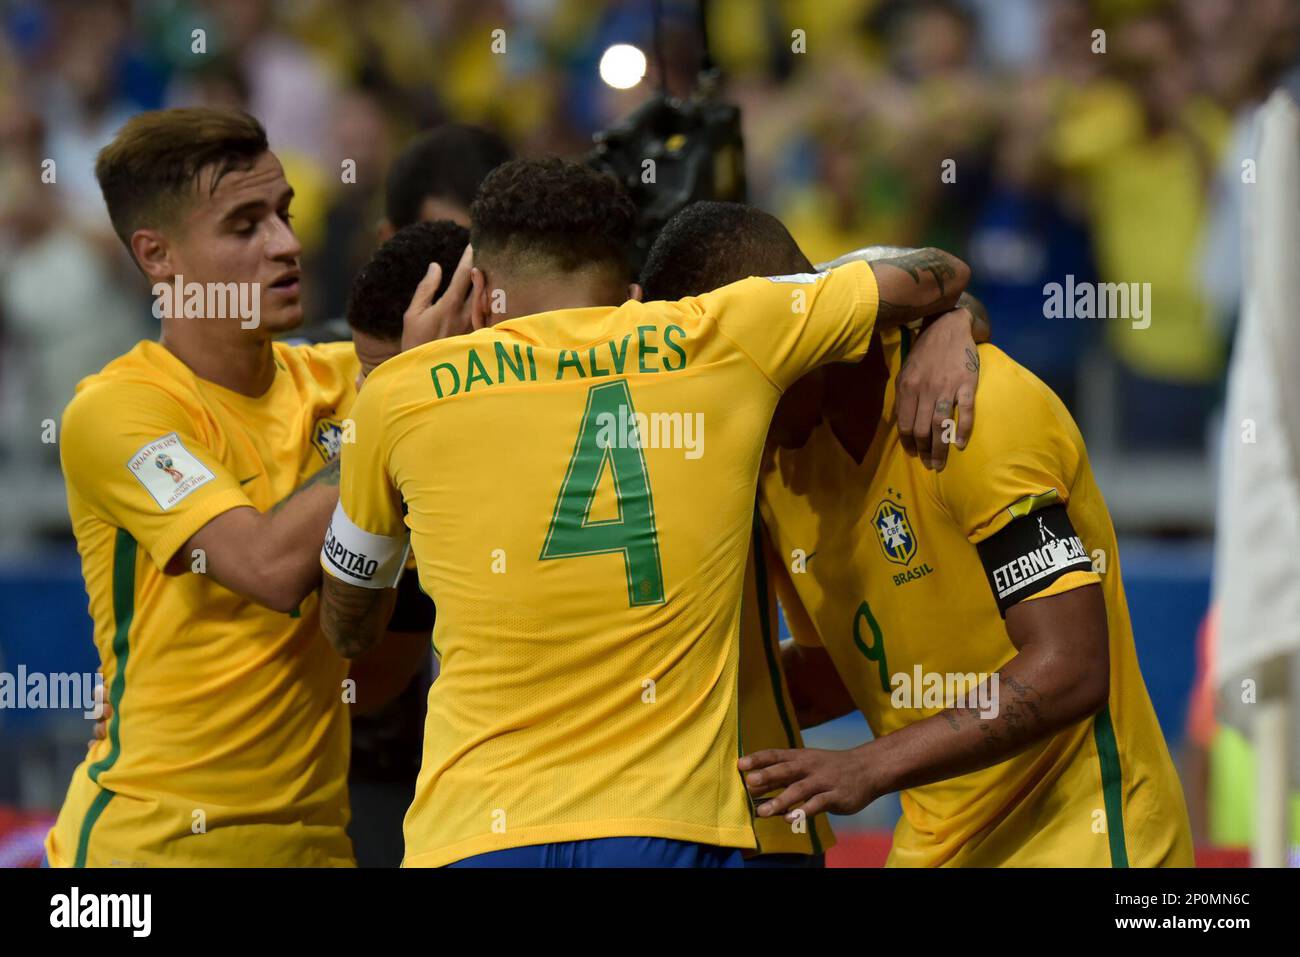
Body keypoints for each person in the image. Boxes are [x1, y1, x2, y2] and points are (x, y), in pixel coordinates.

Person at [316, 157, 977, 867]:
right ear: (633, 295)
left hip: (475, 830)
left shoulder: (400, 392)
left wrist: (412, 393)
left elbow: (350, 623)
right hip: (670, 826)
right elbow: (935, 268)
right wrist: (951, 320)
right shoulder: (715, 334)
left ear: (477, 297)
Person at [641, 201, 1193, 867]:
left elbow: (1070, 666)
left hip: (1090, 838)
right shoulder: (779, 468)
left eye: (734, 373)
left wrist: (868, 765)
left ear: (795, 333)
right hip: (935, 845)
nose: (722, 404)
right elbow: (846, 670)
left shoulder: (975, 411)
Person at [46, 108, 410, 867]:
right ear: (157, 255)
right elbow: (268, 568)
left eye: (283, 214)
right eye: (244, 226)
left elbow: (370, 668)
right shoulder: (119, 412)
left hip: (317, 848)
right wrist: (403, 402)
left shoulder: (348, 384)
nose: (286, 245)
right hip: (149, 853)